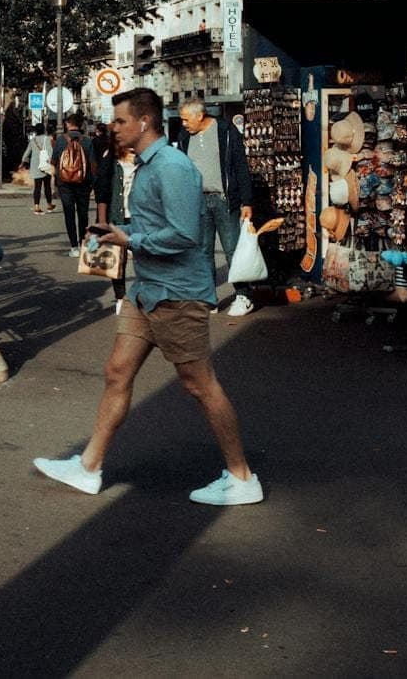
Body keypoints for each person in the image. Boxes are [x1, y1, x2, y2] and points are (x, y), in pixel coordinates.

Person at [33, 88, 263, 506]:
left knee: (202, 386)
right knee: (117, 372)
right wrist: (112, 233)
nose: (114, 128)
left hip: (178, 296)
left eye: (120, 121)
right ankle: (88, 467)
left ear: (144, 122)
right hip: (149, 291)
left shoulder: (172, 167)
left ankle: (242, 476)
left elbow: (184, 235)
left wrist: (130, 237)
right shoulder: (146, 164)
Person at [177, 100, 255, 317]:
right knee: (203, 253)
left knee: (232, 250)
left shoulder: (226, 131)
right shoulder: (184, 137)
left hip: (224, 200)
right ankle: (208, 298)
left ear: (200, 116)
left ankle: (244, 296)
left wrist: (246, 202)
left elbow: (241, 167)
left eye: (185, 119)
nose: (183, 124)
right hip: (198, 202)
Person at [93, 124, 140, 311]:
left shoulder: (144, 159)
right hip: (117, 215)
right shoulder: (111, 160)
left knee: (145, 257)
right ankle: (120, 297)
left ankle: (142, 295)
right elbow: (102, 191)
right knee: (117, 258)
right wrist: (102, 223)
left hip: (139, 217)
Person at [52, 116, 96, 257]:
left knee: (69, 213)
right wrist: (93, 183)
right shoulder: (87, 141)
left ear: (67, 124)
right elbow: (92, 163)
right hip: (83, 182)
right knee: (83, 214)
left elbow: (54, 160)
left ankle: (73, 247)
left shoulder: (60, 140)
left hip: (65, 183)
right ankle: (83, 243)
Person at [21, 123, 56, 215]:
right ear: (44, 129)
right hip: (45, 165)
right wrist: (52, 162)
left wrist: (23, 162)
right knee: (47, 186)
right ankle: (49, 204)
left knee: (37, 187)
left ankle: (36, 206)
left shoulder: (33, 141)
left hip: (35, 166)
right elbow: (50, 152)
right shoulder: (47, 139)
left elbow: (27, 153)